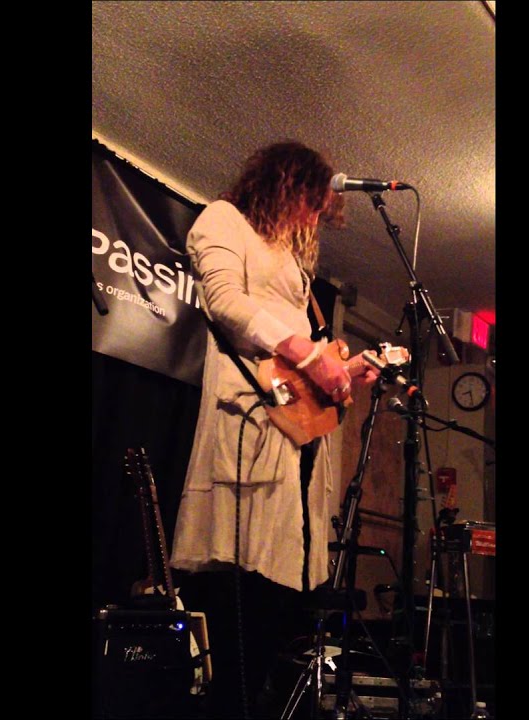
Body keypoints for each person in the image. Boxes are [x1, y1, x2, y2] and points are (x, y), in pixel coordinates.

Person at [169, 141, 380, 718]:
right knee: (237, 599)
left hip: (295, 435)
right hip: (249, 424)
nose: (313, 218)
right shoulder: (223, 220)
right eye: (310, 202)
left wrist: (343, 371)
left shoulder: (293, 260)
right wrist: (309, 356)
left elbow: (301, 358)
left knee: (276, 605)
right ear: (285, 184)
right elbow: (225, 302)